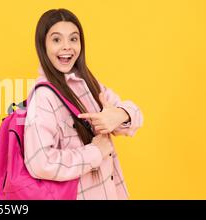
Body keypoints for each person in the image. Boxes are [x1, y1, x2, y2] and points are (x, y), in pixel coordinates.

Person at [24, 8, 143, 199]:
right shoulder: (44, 98)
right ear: (42, 46)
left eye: (73, 38)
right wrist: (95, 152)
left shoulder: (87, 84)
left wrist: (119, 115)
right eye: (56, 39)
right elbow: (40, 163)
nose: (67, 46)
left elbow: (137, 115)